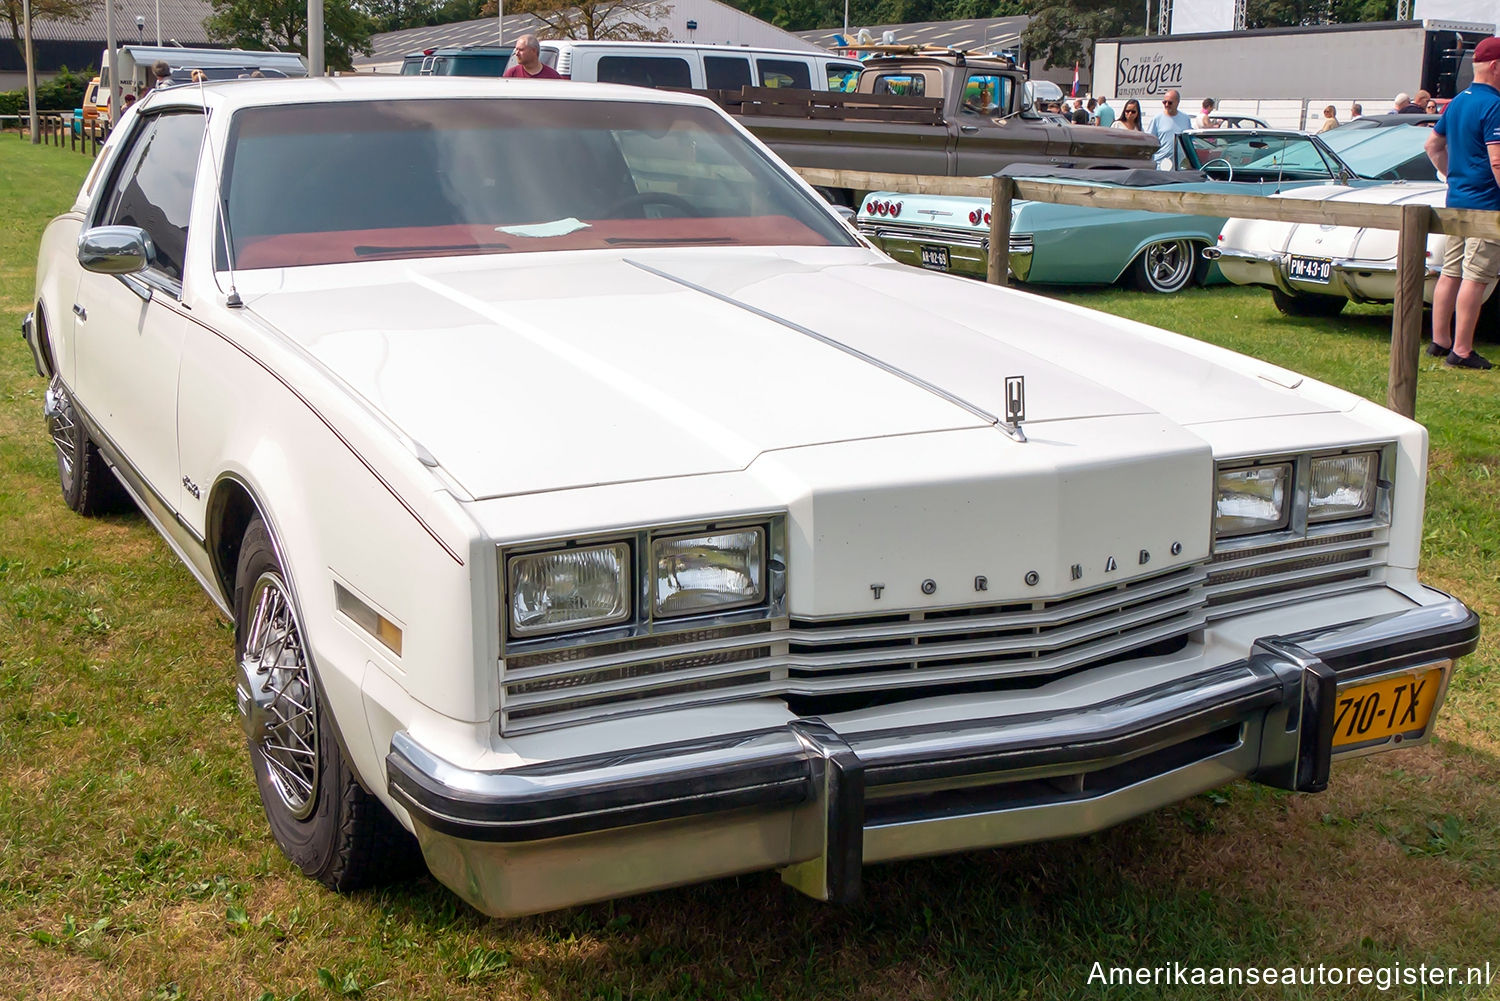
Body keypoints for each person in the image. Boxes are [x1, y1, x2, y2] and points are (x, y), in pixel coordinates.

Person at [1422, 35, 1500, 369]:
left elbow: (1432, 145)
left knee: (1450, 271)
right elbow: (1497, 161)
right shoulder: (1495, 104)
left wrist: (1451, 175)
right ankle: (1463, 350)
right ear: (1497, 67)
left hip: (1456, 200)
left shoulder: (1457, 102)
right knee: (1476, 275)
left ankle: (1440, 341)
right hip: (1486, 204)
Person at [1148, 89, 1194, 168]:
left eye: (1170, 102)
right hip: (1161, 164)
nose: (1166, 105)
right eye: (1164, 102)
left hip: (1180, 165)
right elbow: (1149, 141)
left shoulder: (1185, 119)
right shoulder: (1157, 119)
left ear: (1177, 102)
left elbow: (1189, 141)